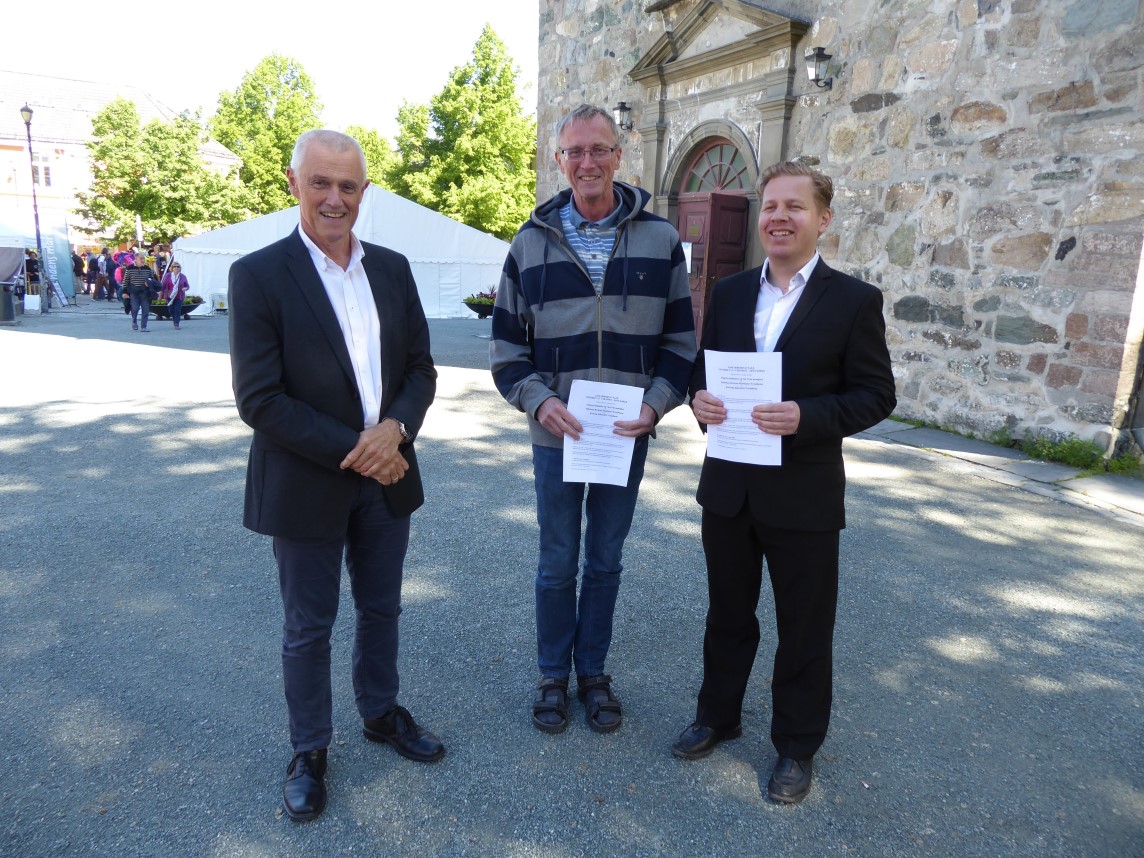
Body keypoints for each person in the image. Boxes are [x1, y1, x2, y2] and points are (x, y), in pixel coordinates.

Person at [229, 129, 441, 823]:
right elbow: (260, 399)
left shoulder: (393, 269)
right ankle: (310, 749)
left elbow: (420, 370)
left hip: (389, 474)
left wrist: (395, 429)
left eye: (348, 186)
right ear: (294, 184)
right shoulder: (258, 275)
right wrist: (363, 446)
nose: (334, 198)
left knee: (382, 608)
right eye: (320, 183)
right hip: (306, 481)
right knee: (307, 626)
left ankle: (379, 712)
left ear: (364, 192)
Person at [670, 161, 896, 804]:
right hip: (729, 488)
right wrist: (699, 400)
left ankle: (796, 746)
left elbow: (876, 394)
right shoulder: (731, 292)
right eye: (770, 205)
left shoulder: (853, 301)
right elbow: (703, 372)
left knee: (804, 627)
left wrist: (806, 417)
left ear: (823, 219)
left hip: (804, 494)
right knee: (727, 614)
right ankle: (717, 715)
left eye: (794, 206)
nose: (778, 217)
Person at [490, 104, 696, 736]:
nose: (587, 162)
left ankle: (594, 674)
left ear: (618, 156)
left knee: (605, 560)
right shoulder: (529, 244)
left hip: (624, 434)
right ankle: (552, 675)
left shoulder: (661, 240)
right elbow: (506, 351)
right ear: (560, 161)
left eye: (599, 149)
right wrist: (539, 401)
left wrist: (655, 404)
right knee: (557, 561)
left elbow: (681, 344)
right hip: (557, 434)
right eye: (574, 151)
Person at [120, 252, 153, 331]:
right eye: (141, 258)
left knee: (145, 309)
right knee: (135, 308)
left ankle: (143, 327)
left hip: (144, 292)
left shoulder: (147, 268)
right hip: (134, 292)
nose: (142, 260)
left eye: (143, 258)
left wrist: (149, 282)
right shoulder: (130, 268)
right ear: (136, 259)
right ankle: (134, 321)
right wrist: (124, 292)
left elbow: (152, 278)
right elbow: (125, 281)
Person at [160, 261, 188, 329]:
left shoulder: (183, 276)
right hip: (170, 296)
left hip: (179, 296)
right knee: (171, 310)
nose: (176, 268)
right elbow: (163, 285)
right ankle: (174, 320)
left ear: (180, 268)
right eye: (174, 266)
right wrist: (160, 294)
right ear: (172, 268)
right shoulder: (168, 275)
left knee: (177, 310)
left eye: (178, 267)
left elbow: (187, 286)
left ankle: (176, 323)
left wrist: (185, 288)